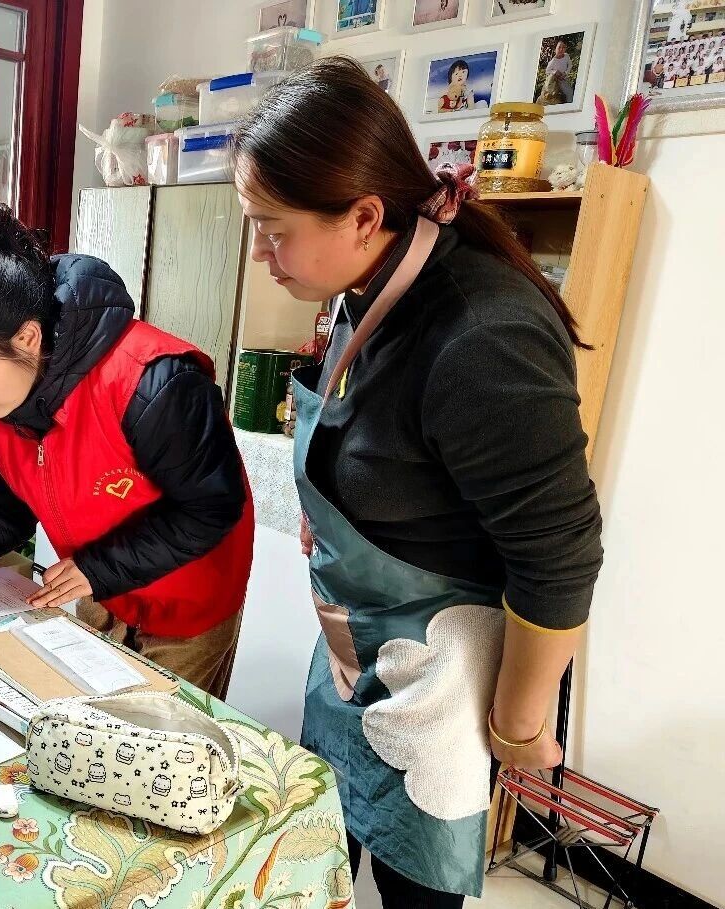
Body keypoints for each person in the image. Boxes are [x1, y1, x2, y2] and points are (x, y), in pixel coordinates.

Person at [233, 57, 602, 907]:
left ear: (365, 215)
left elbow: (559, 559)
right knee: (325, 856)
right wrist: (337, 503)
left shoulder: (484, 336)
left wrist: (517, 724)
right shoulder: (367, 281)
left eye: (272, 229)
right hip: (355, 653)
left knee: (412, 890)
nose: (260, 254)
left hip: (444, 682)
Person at [0, 195, 255, 700]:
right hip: (99, 586)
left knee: (162, 735)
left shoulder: (153, 384)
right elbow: (2, 510)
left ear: (27, 338)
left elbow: (210, 508)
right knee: (91, 724)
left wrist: (97, 569)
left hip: (187, 601)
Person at [540, 39, 573, 105]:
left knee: (569, 92)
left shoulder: (566, 56)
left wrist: (565, 73)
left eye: (563, 47)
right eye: (559, 47)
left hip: (564, 78)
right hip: (556, 81)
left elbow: (570, 65)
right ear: (555, 49)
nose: (561, 49)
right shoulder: (553, 61)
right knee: (567, 92)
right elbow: (547, 71)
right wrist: (555, 72)